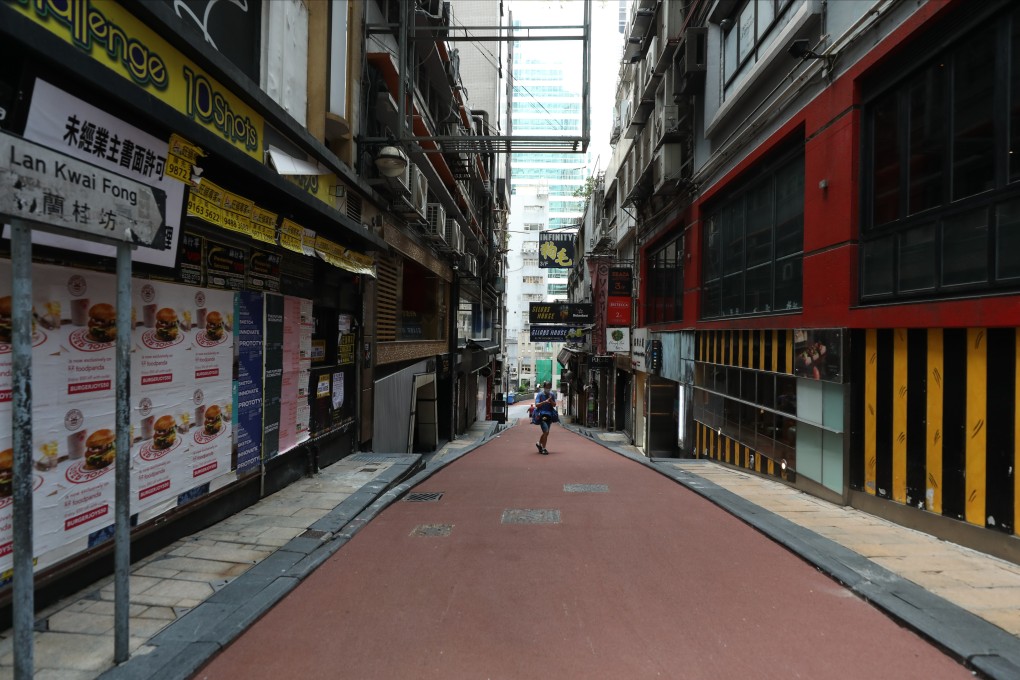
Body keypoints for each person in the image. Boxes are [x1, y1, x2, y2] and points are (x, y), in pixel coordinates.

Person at [532, 381, 559, 455]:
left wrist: (550, 400)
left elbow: (554, 405)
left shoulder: (552, 394)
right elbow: (536, 405)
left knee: (546, 433)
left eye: (549, 387)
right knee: (546, 432)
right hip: (542, 415)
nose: (548, 389)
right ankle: (544, 448)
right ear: (544, 387)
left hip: (549, 415)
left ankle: (539, 443)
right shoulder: (540, 395)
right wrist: (545, 401)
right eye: (547, 387)